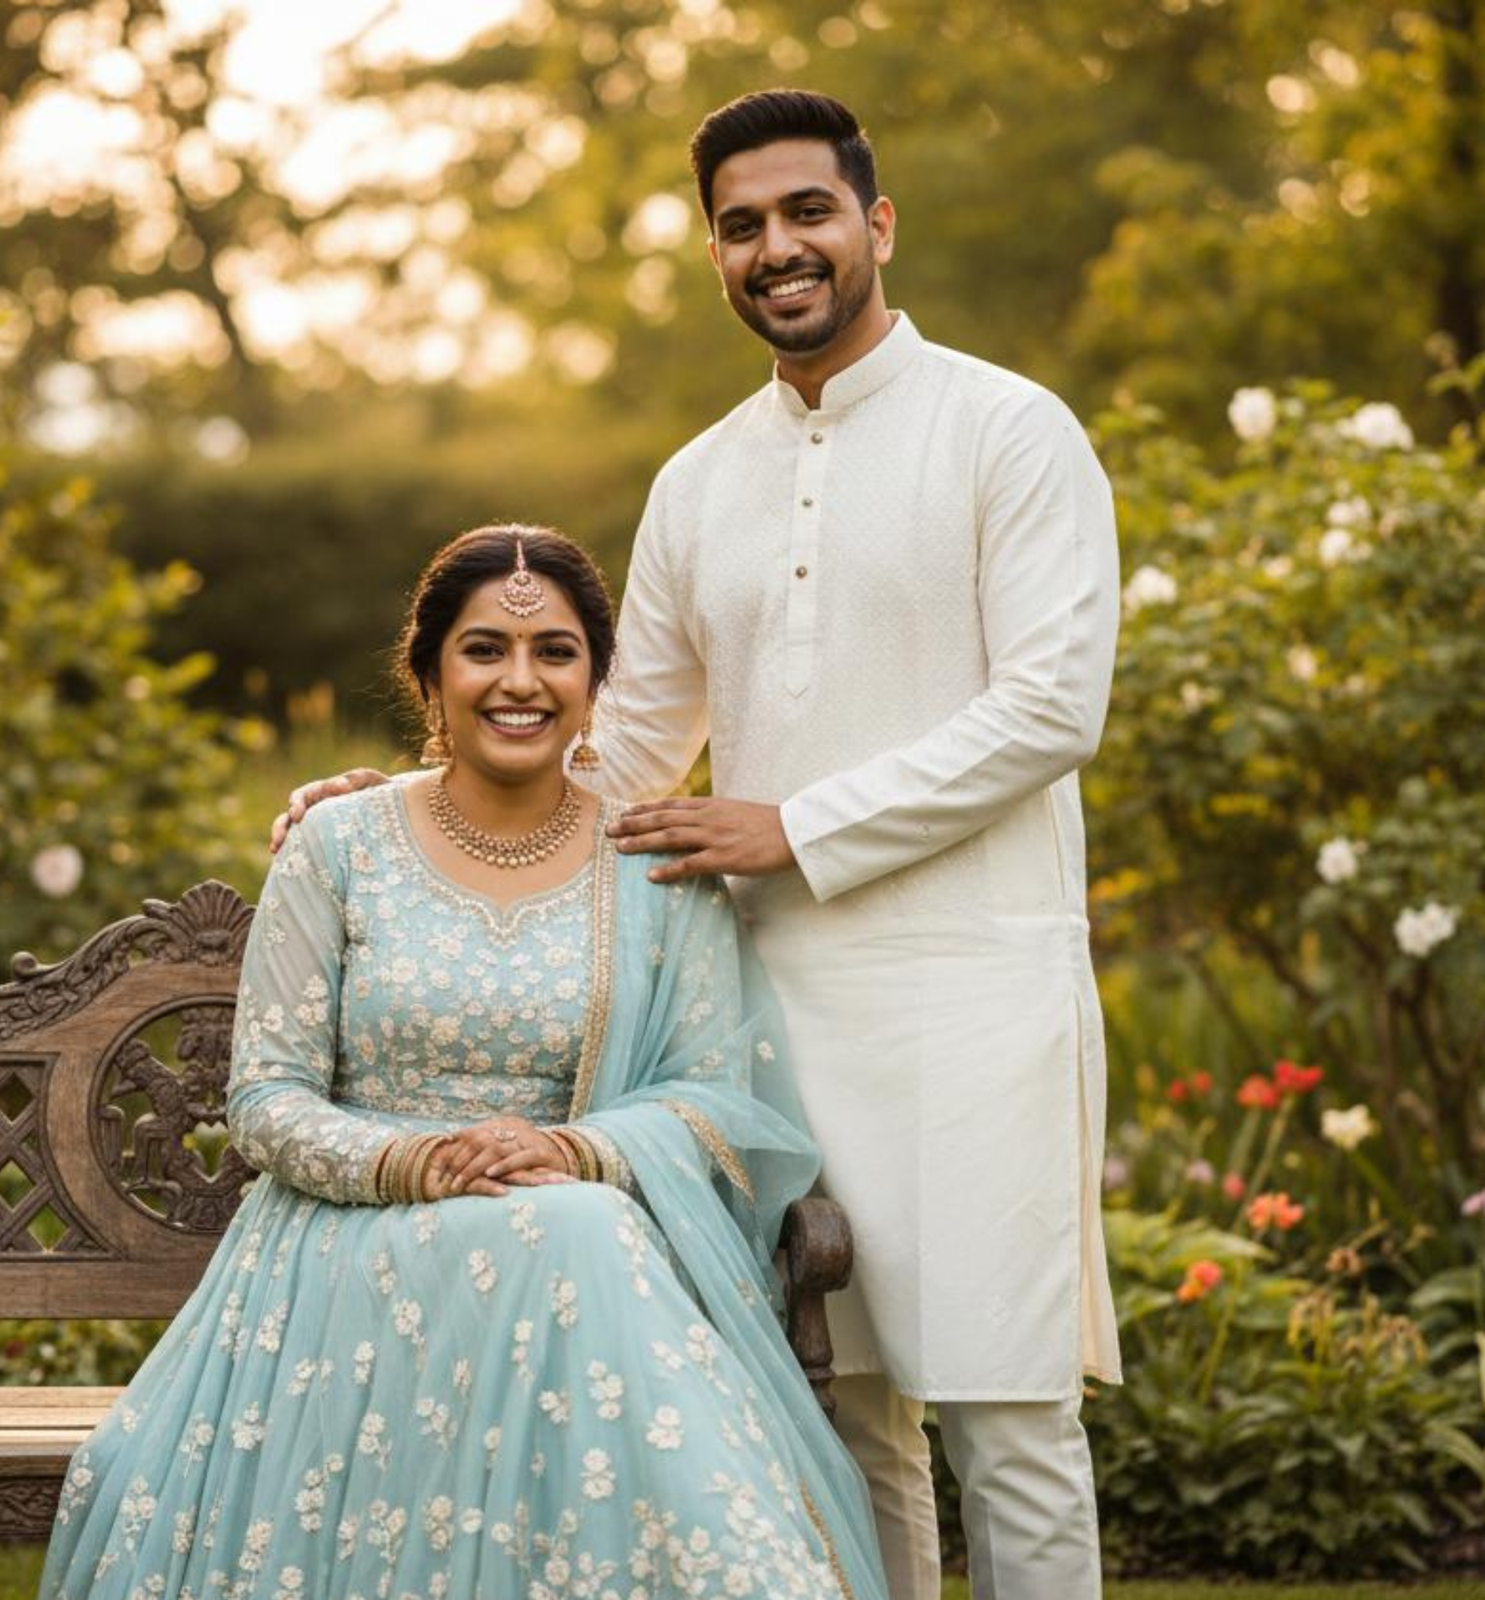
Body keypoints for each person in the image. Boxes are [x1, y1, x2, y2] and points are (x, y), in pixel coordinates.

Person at [279, 90, 1123, 1600]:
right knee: (841, 1406)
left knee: (1005, 1412)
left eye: (807, 212)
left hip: (972, 997)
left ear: (876, 224)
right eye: (742, 226)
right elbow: (618, 753)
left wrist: (795, 824)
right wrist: (410, 799)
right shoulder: (701, 479)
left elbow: (1052, 709)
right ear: (716, 254)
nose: (776, 247)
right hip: (763, 1012)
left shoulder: (1006, 430)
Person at [40, 525, 890, 1600]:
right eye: (485, 649)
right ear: (429, 674)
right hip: (353, 1239)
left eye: (556, 652)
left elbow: (714, 1097)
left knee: (576, 1225)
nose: (520, 681)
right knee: (580, 1233)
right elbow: (264, 1096)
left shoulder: (653, 868)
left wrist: (570, 1151)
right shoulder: (339, 845)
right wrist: (417, 1162)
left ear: (595, 683)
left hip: (582, 1246)